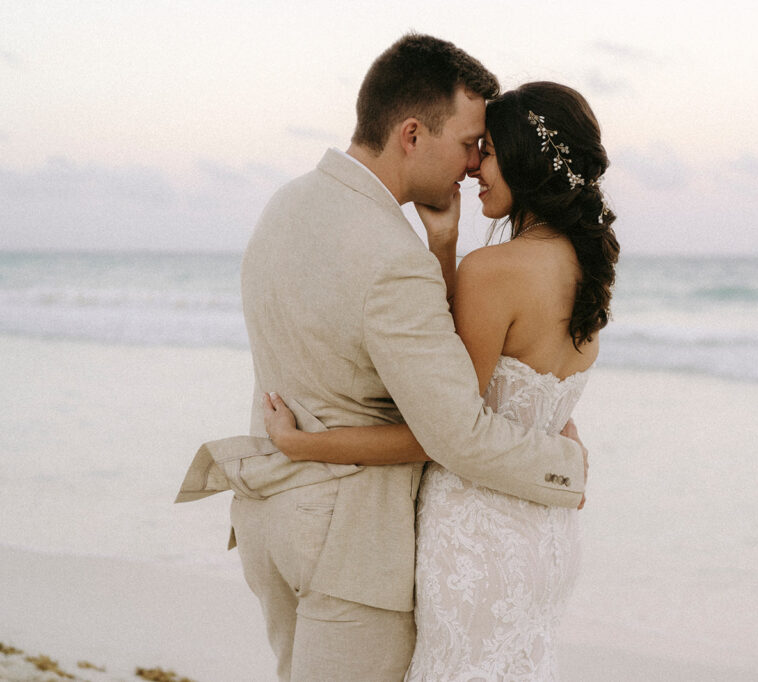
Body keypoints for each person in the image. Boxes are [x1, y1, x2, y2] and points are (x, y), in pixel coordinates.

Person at [174, 36, 589, 681]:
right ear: (412, 133)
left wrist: (444, 244)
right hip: (347, 544)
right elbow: (454, 431)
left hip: (268, 523)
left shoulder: (287, 204)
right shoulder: (393, 258)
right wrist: (562, 464)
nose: (474, 163)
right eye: (468, 142)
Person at [263, 81, 619, 680]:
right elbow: (534, 399)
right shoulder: (586, 271)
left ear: (526, 162)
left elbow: (442, 430)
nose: (476, 165)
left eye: (490, 151)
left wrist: (303, 443)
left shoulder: (493, 271)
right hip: (548, 541)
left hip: (475, 538)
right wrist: (446, 243)